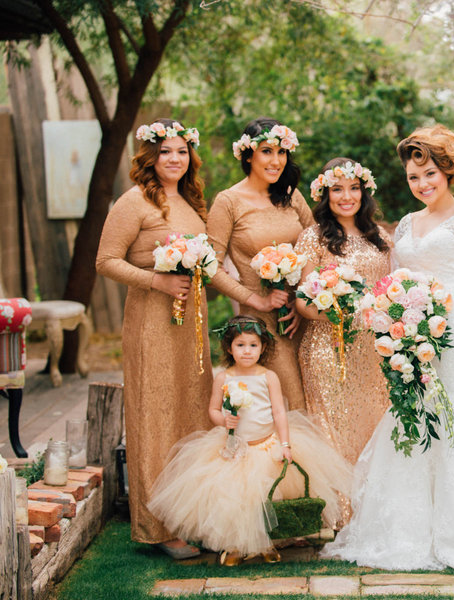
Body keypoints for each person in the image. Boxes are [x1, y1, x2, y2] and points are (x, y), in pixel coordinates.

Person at [322, 125, 454, 571]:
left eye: (430, 173)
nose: (422, 184)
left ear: (449, 171)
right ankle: (409, 528)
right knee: (415, 415)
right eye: (414, 177)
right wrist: (393, 323)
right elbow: (395, 281)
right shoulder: (406, 224)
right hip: (413, 338)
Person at [148, 315, 352, 566]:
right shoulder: (224, 378)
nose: (247, 351)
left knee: (268, 498)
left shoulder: (269, 377)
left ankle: (267, 543)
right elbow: (212, 411)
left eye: (253, 345)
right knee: (236, 500)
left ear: (263, 348)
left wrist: (285, 444)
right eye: (240, 345)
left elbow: (279, 412)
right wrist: (223, 420)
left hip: (267, 445)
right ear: (229, 348)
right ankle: (236, 546)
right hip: (236, 449)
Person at [95, 118, 212, 558]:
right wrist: (155, 282)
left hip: (192, 324)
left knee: (191, 413)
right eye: (166, 152)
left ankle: (192, 514)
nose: (175, 159)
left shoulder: (191, 201)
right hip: (152, 320)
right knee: (156, 414)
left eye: (182, 152)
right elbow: (106, 260)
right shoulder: (134, 202)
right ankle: (159, 526)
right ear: (150, 157)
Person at [207, 118, 313, 412]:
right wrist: (256, 299)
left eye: (282, 153)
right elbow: (210, 266)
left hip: (302, 316)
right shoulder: (228, 202)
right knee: (291, 403)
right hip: (262, 325)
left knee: (317, 400)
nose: (276, 161)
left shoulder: (291, 195)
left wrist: (304, 302)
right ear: (248, 154)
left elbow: (316, 247)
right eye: (267, 151)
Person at [295, 158, 392, 463]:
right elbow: (302, 300)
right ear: (325, 194)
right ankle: (341, 510)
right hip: (328, 348)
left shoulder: (382, 239)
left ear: (364, 193)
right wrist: (340, 313)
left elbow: (390, 293)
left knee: (374, 429)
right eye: (337, 189)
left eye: (354, 188)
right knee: (335, 432)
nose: (347, 196)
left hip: (375, 351)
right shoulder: (313, 238)